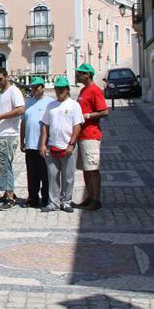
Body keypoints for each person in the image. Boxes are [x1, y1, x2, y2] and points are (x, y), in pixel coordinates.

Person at [40, 77, 84, 213]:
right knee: (52, 175)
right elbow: (45, 126)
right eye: (57, 89)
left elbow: (77, 126)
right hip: (52, 145)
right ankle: (53, 202)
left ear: (67, 90)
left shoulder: (74, 105)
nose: (59, 91)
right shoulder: (51, 106)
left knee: (68, 176)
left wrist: (71, 144)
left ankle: (66, 201)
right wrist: (43, 144)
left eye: (62, 89)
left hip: (68, 146)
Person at [0, 67, 26, 211]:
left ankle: (10, 197)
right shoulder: (2, 94)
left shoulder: (14, 91)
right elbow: (2, 113)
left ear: (7, 77)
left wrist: (0, 117)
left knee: (5, 165)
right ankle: (6, 192)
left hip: (8, 135)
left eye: (0, 79)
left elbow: (20, 109)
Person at [74, 63, 109, 211]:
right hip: (81, 135)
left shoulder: (95, 90)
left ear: (87, 75)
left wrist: (86, 116)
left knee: (93, 168)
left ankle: (96, 199)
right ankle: (89, 196)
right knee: (85, 169)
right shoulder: (83, 91)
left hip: (91, 135)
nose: (77, 75)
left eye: (80, 73)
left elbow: (104, 111)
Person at [21, 77, 52, 208]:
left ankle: (46, 198)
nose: (34, 90)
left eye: (36, 87)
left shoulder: (50, 102)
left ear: (42, 87)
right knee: (32, 174)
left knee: (45, 173)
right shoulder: (28, 102)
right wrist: (21, 140)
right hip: (30, 144)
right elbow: (23, 121)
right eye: (32, 87)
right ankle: (32, 197)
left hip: (43, 144)